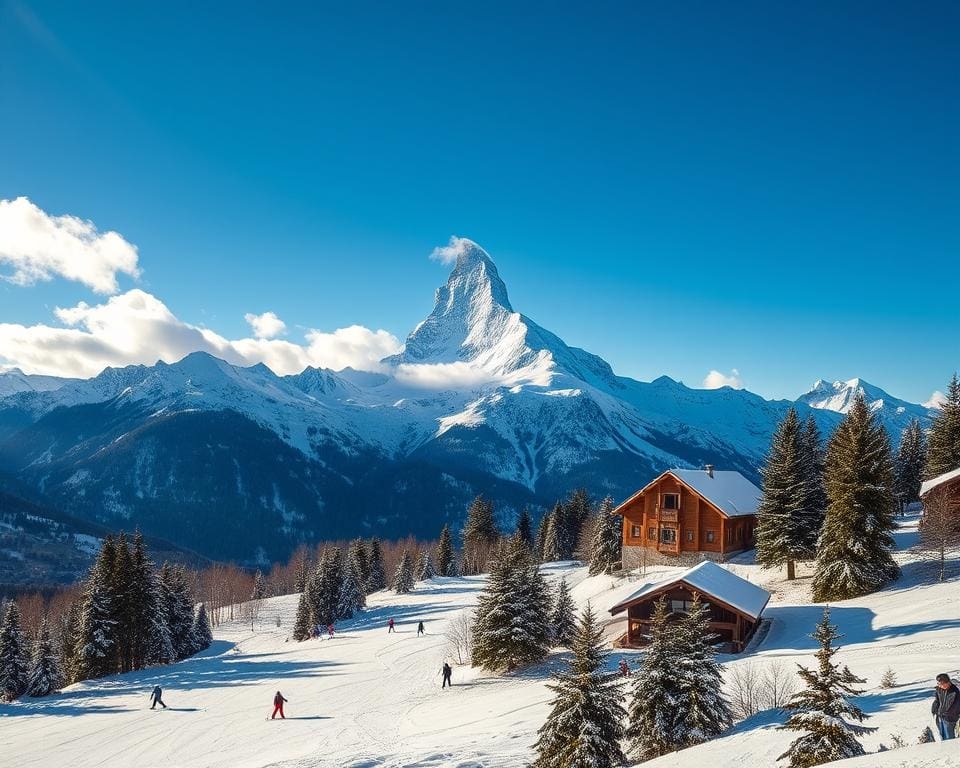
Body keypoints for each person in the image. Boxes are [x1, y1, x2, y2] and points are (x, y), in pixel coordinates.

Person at [932, 673, 960, 740]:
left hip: (950, 718)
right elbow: (937, 701)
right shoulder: (939, 689)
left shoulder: (954, 692)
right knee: (942, 737)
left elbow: (955, 707)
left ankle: (951, 750)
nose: (939, 685)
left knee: (949, 739)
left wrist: (945, 714)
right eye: (938, 683)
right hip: (940, 717)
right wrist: (935, 709)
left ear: (947, 682)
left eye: (941, 684)